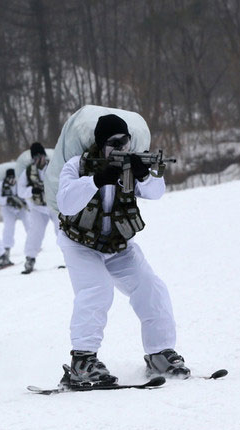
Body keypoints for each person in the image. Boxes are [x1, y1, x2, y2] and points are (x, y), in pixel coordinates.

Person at [55, 113, 189, 386]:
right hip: (80, 244)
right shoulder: (77, 166)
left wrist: (143, 175)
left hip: (117, 245)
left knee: (151, 286)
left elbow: (157, 192)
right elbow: (66, 203)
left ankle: (159, 353)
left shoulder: (132, 163)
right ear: (100, 145)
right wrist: (96, 180)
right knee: (97, 289)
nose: (120, 147)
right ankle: (83, 360)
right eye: (113, 142)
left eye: (124, 141)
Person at [18, 143, 60, 274]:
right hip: (38, 207)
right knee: (35, 232)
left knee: (62, 230)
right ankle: (30, 259)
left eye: (38, 156)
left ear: (43, 156)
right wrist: (31, 190)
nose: (36, 160)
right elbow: (20, 191)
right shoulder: (28, 171)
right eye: (34, 157)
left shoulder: (54, 166)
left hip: (54, 205)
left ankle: (71, 257)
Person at [0, 167, 30, 267]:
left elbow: (25, 194)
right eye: (9, 177)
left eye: (12, 177)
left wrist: (22, 201)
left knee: (29, 224)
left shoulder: (19, 182)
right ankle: (6, 250)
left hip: (21, 208)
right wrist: (8, 199)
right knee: (8, 229)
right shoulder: (1, 185)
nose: (11, 179)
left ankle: (33, 246)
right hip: (8, 209)